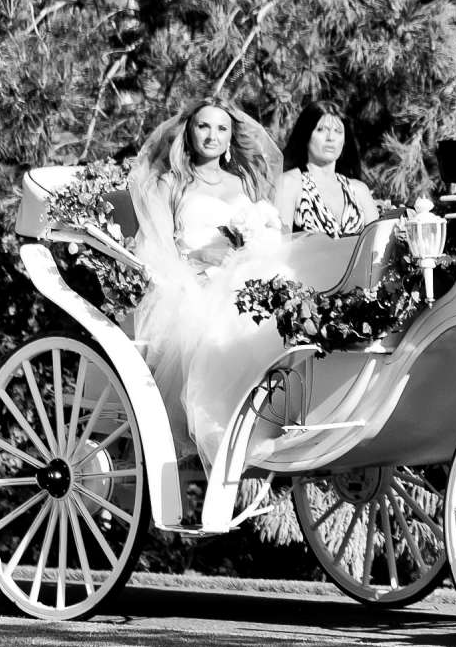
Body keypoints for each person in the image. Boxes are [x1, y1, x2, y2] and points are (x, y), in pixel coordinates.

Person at [127, 96, 294, 470]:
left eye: (222, 128)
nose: (212, 135)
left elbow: (262, 233)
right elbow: (158, 247)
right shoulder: (169, 184)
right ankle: (217, 428)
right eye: (204, 126)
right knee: (215, 326)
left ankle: (279, 415)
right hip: (193, 282)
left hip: (247, 278)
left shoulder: (242, 184)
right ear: (189, 131)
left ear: (232, 136)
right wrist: (197, 269)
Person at [274, 101, 381, 237]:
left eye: (338, 131)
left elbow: (377, 246)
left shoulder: (359, 191)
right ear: (306, 135)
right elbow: (279, 247)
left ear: (345, 140)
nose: (330, 138)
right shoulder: (290, 184)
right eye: (321, 130)